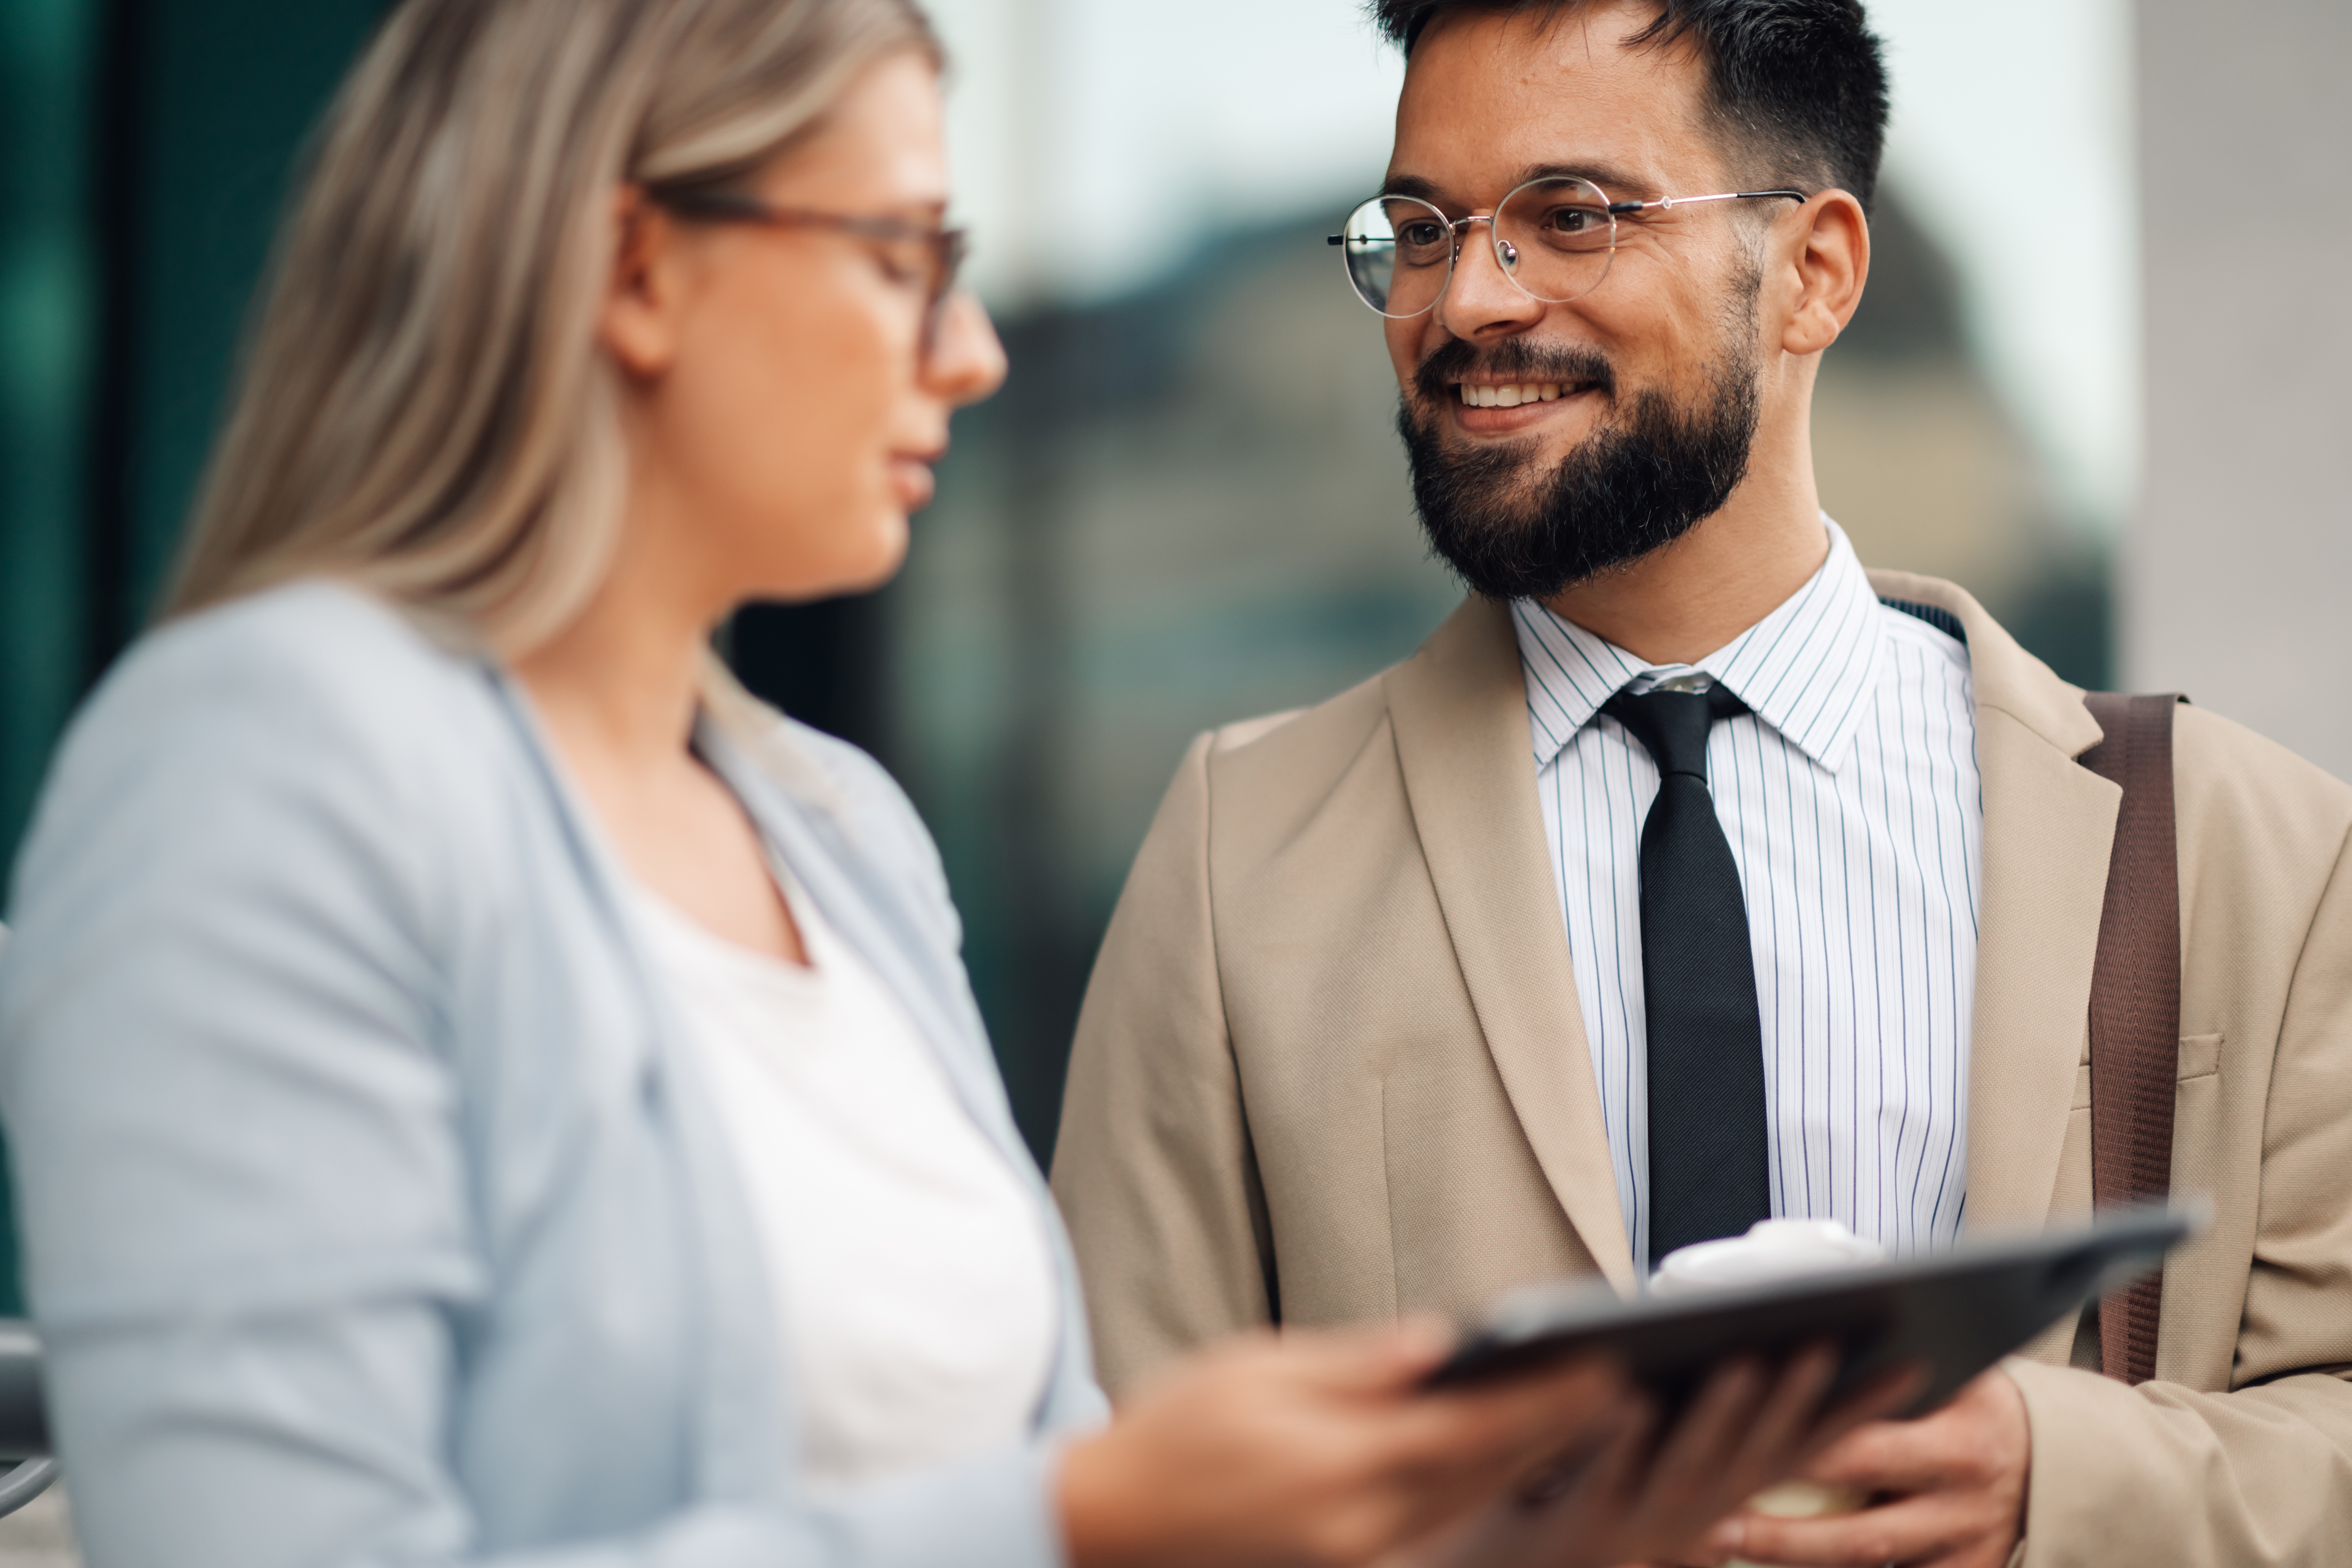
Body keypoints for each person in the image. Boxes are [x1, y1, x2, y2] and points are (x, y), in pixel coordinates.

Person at [0, 1, 1911, 1565]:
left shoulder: (834, 835)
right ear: (641, 268)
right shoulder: (258, 775)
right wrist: (1086, 1519)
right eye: (904, 259)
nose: (979, 353)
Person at [1052, 1, 2352, 1565]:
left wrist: (2053, 1475)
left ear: (1813, 273)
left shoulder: (2244, 841)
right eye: (1420, 227)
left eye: (1571, 218)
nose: (1466, 298)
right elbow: (1112, 1478)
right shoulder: (1234, 851)